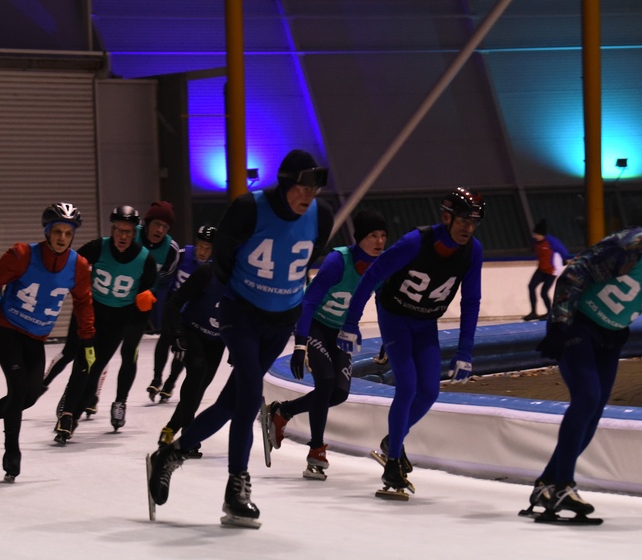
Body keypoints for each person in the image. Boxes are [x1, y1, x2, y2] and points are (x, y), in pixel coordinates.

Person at [146, 149, 334, 528]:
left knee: (230, 404)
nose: (308, 196)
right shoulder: (249, 208)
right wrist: (249, 293)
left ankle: (171, 453)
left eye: (313, 189)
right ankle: (237, 488)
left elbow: (306, 260)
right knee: (250, 395)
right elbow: (223, 261)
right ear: (284, 183)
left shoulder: (322, 216)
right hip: (241, 315)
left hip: (280, 322)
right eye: (302, 187)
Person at [529, 203, 642, 519]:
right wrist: (559, 324)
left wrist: (617, 326)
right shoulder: (635, 244)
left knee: (594, 412)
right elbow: (575, 273)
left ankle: (547, 483)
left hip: (610, 336)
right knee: (586, 399)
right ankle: (562, 486)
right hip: (578, 324)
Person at [338, 187, 485, 498]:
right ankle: (392, 463)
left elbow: (471, 300)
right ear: (446, 217)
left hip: (426, 321)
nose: (468, 228)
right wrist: (351, 322)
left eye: (474, 222)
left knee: (429, 391)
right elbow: (372, 276)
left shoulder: (473, 251)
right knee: (406, 387)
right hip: (395, 316)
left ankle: (391, 441)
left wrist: (465, 349)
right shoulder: (415, 242)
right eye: (463, 221)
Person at [0, 203, 95, 482]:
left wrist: (88, 340)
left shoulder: (78, 266)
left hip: (35, 337)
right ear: (47, 232)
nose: (62, 238)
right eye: (57, 231)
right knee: (18, 389)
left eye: (68, 233)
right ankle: (12, 452)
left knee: (30, 396)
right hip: (6, 328)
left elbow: (83, 303)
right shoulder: (22, 255)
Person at [265, 209, 388, 480]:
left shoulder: (382, 266)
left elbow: (383, 304)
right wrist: (300, 345)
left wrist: (388, 340)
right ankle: (316, 450)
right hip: (316, 325)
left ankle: (283, 411)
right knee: (326, 382)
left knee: (339, 393)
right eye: (372, 235)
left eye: (383, 235)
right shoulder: (338, 261)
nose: (379, 241)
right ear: (359, 238)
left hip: (342, 331)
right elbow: (308, 302)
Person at [54, 205, 158, 441]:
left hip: (118, 321)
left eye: (128, 232)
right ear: (112, 230)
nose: (122, 236)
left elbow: (149, 292)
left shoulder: (145, 259)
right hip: (91, 314)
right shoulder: (98, 247)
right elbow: (71, 264)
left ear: (134, 233)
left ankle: (73, 416)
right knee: (82, 363)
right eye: (119, 230)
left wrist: (146, 300)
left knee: (95, 369)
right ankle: (67, 416)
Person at [155, 225, 226, 446]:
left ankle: (171, 427)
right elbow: (174, 302)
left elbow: (243, 316)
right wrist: (177, 335)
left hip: (217, 340)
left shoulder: (242, 281)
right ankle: (189, 434)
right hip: (192, 331)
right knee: (197, 373)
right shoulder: (206, 273)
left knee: (200, 387)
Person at [147, 221, 214, 403]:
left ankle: (170, 383)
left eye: (207, 248)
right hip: (174, 306)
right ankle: (156, 379)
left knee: (183, 347)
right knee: (165, 338)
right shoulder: (183, 254)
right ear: (195, 243)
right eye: (200, 246)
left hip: (192, 313)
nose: (202, 252)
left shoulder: (213, 266)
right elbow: (167, 276)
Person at [137, 200, 181, 338]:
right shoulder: (131, 234)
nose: (160, 230)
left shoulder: (172, 249)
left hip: (146, 297)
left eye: (165, 227)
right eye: (157, 224)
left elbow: (164, 276)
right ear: (147, 223)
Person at [523, 219, 571, 321]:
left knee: (543, 292)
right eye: (534, 234)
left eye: (537, 234)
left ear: (542, 234)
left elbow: (563, 251)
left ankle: (550, 313)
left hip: (551, 271)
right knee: (531, 286)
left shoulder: (551, 242)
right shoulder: (536, 242)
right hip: (541, 269)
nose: (535, 236)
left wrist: (564, 260)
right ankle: (533, 312)